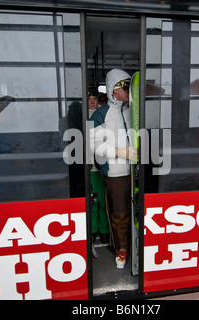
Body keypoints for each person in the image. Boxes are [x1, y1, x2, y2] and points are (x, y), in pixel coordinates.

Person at [89, 69, 136, 269]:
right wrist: (120, 152)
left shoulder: (132, 110)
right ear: (113, 90)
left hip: (135, 171)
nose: (128, 90)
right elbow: (94, 146)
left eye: (129, 86)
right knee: (120, 214)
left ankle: (135, 246)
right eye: (124, 86)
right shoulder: (101, 114)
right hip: (116, 174)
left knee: (137, 211)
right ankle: (121, 248)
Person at [87, 86, 109, 246]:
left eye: (95, 99)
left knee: (103, 201)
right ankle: (93, 231)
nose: (93, 102)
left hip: (103, 166)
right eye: (90, 99)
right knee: (92, 202)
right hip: (90, 168)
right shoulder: (79, 119)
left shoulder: (104, 116)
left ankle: (105, 231)